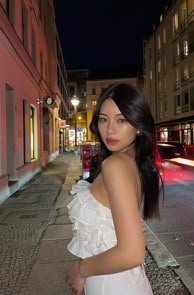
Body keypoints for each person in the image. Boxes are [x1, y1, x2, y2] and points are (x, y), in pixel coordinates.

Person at [66, 83, 162, 295]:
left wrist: (81, 270)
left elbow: (132, 252)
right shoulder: (130, 161)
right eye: (103, 119)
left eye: (121, 120)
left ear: (138, 125)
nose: (110, 129)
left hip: (113, 284)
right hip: (116, 280)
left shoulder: (116, 166)